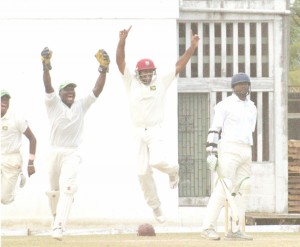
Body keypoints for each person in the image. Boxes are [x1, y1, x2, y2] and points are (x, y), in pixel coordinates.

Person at [116, 26, 200, 223]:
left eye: (148, 72)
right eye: (143, 73)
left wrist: (192, 48)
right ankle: (156, 207)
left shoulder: (161, 81)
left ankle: (173, 171)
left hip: (155, 130)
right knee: (142, 172)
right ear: (138, 74)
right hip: (137, 132)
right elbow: (120, 61)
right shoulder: (131, 82)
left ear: (153, 72)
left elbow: (179, 65)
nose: (146, 75)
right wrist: (122, 40)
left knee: (156, 162)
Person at [40, 47, 110, 241]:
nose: (71, 92)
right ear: (61, 93)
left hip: (72, 153)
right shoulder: (53, 103)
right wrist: (46, 67)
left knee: (68, 188)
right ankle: (55, 219)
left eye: (73, 89)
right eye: (67, 90)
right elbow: (48, 87)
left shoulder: (81, 105)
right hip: (54, 152)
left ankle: (60, 226)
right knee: (54, 191)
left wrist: (103, 70)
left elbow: (96, 91)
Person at [201, 72, 257, 241]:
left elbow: (250, 131)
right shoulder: (224, 105)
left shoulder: (252, 107)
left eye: (246, 84)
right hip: (229, 148)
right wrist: (211, 151)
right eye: (240, 84)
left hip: (246, 149)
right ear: (233, 87)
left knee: (244, 188)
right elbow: (215, 128)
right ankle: (208, 227)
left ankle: (235, 230)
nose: (243, 87)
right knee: (224, 187)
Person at [1, 90, 37, 205]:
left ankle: (17, 180)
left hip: (12, 160)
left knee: (4, 199)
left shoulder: (17, 119)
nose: (4, 102)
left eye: (6, 99)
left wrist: (30, 163)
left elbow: (32, 139)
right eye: (1, 99)